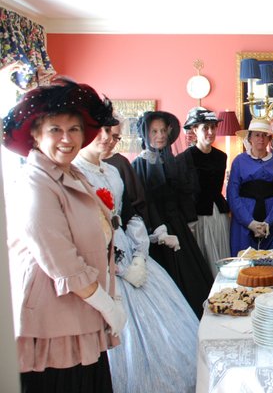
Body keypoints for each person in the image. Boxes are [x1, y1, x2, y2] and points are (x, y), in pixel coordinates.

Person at [3, 78, 125, 392]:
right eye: (55, 129)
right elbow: (61, 260)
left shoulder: (71, 173)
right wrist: (106, 304)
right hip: (52, 324)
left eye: (73, 129)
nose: (66, 139)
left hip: (79, 314)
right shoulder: (35, 182)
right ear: (35, 134)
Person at [74, 123, 199, 393]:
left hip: (131, 252)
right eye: (103, 131)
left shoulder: (113, 171)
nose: (109, 140)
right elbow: (84, 235)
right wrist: (119, 268)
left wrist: (141, 256)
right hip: (103, 264)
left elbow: (129, 214)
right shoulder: (74, 174)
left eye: (115, 136)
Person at [132, 110, 213, 317]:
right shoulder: (138, 165)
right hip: (155, 230)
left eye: (162, 131)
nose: (159, 135)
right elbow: (142, 205)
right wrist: (157, 231)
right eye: (154, 131)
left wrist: (189, 222)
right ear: (145, 134)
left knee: (192, 278)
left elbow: (184, 195)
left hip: (178, 225)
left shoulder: (172, 161)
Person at [178, 107, 231, 277]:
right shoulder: (185, 158)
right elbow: (184, 193)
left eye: (213, 127)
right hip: (198, 218)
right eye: (205, 128)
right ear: (194, 130)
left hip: (219, 215)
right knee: (204, 260)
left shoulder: (221, 157)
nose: (210, 132)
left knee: (223, 258)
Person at [227, 118, 273, 254]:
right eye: (257, 135)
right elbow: (232, 195)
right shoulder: (239, 162)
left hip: (271, 219)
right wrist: (250, 223)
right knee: (243, 262)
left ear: (270, 139)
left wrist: (268, 222)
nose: (261, 139)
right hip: (244, 219)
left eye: (265, 135)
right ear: (250, 138)